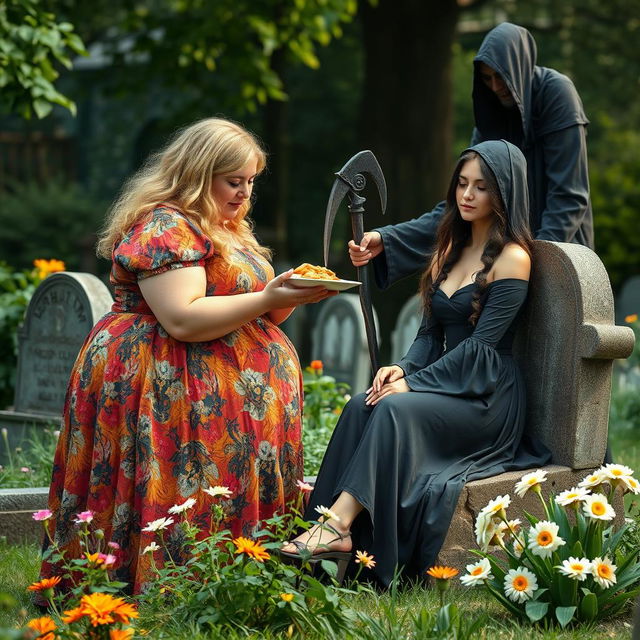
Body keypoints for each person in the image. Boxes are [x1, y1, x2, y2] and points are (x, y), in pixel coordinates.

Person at [38, 117, 335, 596]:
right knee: (176, 483)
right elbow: (182, 318)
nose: (243, 194)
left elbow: (259, 313)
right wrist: (265, 299)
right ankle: (159, 593)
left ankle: (241, 588)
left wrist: (288, 297)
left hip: (229, 400)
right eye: (232, 182)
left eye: (250, 182)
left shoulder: (228, 227)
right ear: (198, 173)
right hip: (162, 382)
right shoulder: (165, 226)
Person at [281, 139, 551, 586]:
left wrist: (415, 386)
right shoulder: (448, 247)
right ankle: (322, 535)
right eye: (462, 184)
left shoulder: (513, 258)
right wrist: (404, 368)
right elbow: (430, 336)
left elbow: (481, 350)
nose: (467, 195)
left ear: (502, 194)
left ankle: (337, 529)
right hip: (447, 381)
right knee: (361, 403)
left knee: (391, 407)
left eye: (481, 187)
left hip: (485, 396)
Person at [349, 22, 593, 288]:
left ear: (521, 67)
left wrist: (533, 264)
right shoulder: (491, 118)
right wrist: (387, 239)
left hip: (559, 256)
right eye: (488, 79)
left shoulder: (557, 94)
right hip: (508, 264)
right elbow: (459, 208)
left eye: (502, 76)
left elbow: (568, 196)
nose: (496, 86)